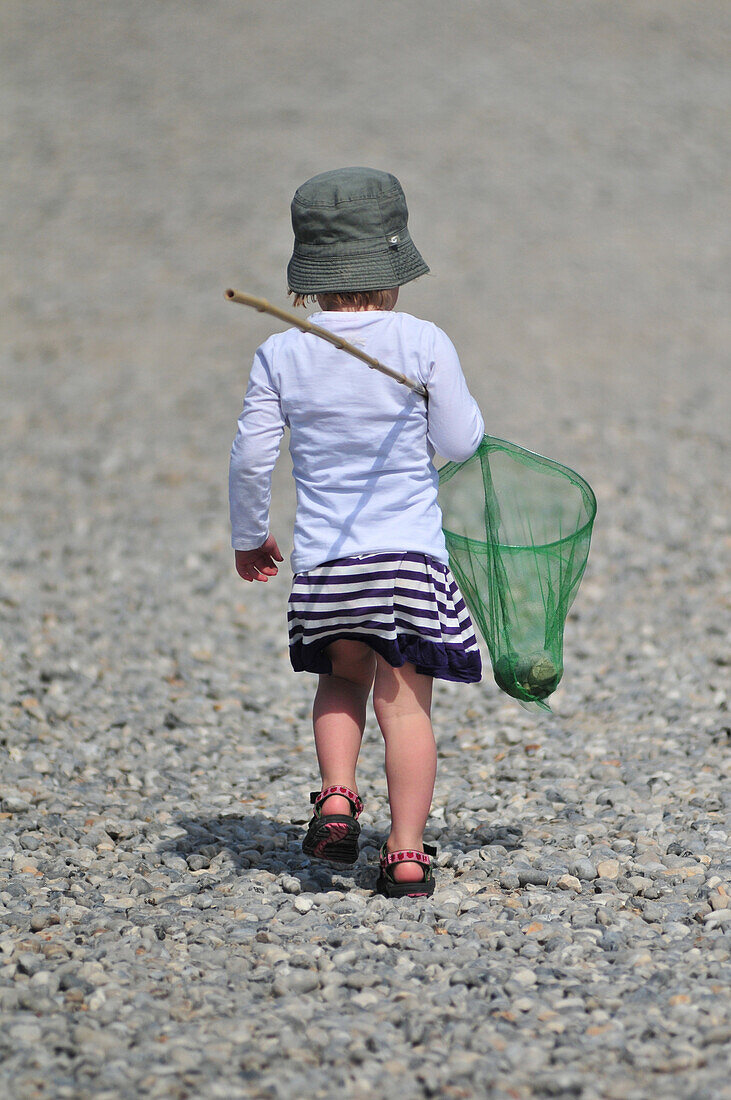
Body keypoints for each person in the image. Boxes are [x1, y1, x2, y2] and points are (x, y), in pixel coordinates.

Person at [229, 167, 484, 897]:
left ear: (310, 273)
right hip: (407, 561)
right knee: (403, 708)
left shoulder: (283, 350)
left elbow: (250, 456)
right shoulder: (420, 340)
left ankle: (336, 797)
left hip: (328, 565)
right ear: (392, 266)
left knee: (340, 680)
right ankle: (404, 854)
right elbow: (460, 442)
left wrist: (251, 535)